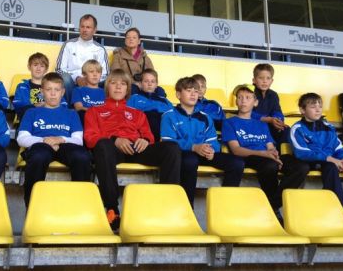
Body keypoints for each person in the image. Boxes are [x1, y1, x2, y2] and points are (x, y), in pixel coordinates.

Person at [84, 69, 181, 230]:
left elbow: (149, 135)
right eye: (114, 83)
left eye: (123, 84)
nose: (118, 87)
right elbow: (90, 138)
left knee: (171, 148)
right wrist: (114, 140)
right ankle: (112, 209)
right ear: (107, 87)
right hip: (112, 151)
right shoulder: (94, 111)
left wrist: (145, 140)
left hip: (136, 148)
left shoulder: (137, 113)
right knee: (103, 145)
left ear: (127, 89)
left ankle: (168, 207)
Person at [222, 85, 309, 219]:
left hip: (266, 156)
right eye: (240, 97)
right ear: (236, 101)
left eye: (248, 98)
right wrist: (265, 154)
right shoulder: (229, 122)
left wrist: (274, 154)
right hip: (249, 156)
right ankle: (274, 212)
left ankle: (273, 204)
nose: (243, 101)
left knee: (301, 167)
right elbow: (236, 150)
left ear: (255, 102)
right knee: (270, 165)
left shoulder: (262, 124)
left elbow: (269, 145)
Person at [161, 77, 244, 205]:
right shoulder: (169, 115)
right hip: (183, 154)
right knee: (190, 161)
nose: (193, 94)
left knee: (237, 163)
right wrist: (193, 147)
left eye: (196, 91)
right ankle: (187, 207)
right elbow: (168, 142)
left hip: (204, 154)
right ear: (178, 95)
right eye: (189, 91)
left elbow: (213, 141)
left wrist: (211, 150)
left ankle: (226, 206)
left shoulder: (205, 117)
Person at [290, 92, 343, 223]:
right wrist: (331, 159)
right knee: (331, 167)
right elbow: (302, 152)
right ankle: (340, 217)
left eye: (320, 106)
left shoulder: (328, 127)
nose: (318, 110)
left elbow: (338, 148)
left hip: (334, 161)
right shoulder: (297, 128)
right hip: (315, 162)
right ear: (302, 110)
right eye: (313, 107)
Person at [17, 72, 92, 208]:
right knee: (39, 156)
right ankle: (32, 206)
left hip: (65, 145)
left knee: (82, 156)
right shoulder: (31, 112)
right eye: (48, 89)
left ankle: (80, 206)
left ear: (62, 92)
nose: (53, 94)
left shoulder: (71, 113)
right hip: (41, 144)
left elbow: (78, 140)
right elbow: (22, 138)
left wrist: (60, 139)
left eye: (57, 90)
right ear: (42, 91)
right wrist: (46, 140)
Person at [56, 14, 109, 103]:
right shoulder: (68, 45)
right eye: (82, 26)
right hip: (71, 83)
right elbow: (59, 69)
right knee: (65, 78)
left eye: (88, 27)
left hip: (93, 83)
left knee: (109, 82)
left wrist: (89, 79)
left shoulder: (100, 49)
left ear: (94, 30)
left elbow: (106, 74)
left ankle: (97, 107)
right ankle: (70, 106)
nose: (84, 30)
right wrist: (77, 78)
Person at [127, 69, 172, 141]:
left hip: (163, 132)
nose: (149, 84)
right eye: (146, 81)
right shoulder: (134, 98)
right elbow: (127, 117)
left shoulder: (164, 100)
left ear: (156, 85)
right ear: (140, 84)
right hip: (142, 132)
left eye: (152, 81)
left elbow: (173, 118)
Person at [12, 52, 56, 123]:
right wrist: (36, 106)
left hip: (49, 122)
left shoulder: (53, 87)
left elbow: (63, 106)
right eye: (35, 65)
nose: (38, 68)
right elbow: (19, 108)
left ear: (46, 69)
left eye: (42, 66)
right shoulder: (22, 87)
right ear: (29, 67)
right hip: (28, 122)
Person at [251, 63, 288, 144]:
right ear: (254, 80)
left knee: (286, 129)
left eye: (268, 78)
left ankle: (279, 151)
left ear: (272, 81)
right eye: (261, 78)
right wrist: (267, 119)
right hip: (253, 125)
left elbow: (277, 111)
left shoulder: (273, 95)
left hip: (269, 124)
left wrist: (278, 120)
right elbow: (246, 113)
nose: (265, 81)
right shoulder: (249, 92)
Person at [110, 27, 155, 92]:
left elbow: (152, 75)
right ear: (125, 41)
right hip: (126, 86)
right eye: (128, 37)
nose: (131, 39)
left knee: (160, 91)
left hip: (144, 86)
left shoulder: (145, 57)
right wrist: (133, 83)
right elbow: (116, 74)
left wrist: (143, 84)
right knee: (134, 89)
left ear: (139, 41)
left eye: (134, 37)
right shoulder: (118, 55)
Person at [71, 59, 106, 125]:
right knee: (81, 113)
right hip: (86, 119)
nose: (95, 74)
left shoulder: (105, 92)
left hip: (102, 120)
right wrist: (94, 112)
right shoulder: (78, 90)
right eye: (91, 71)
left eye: (98, 72)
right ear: (84, 74)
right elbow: (79, 108)